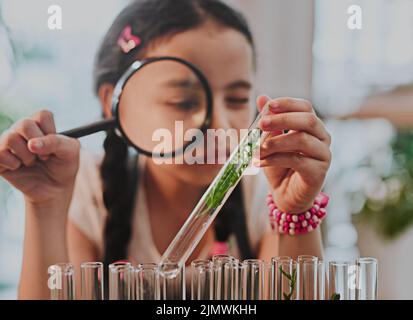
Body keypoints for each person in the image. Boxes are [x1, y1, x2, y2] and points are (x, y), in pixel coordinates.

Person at [0, 0, 331, 299]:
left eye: (238, 99)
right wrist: (45, 205)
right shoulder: (86, 190)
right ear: (113, 103)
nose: (221, 124)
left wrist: (295, 211)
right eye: (183, 101)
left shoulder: (265, 194)